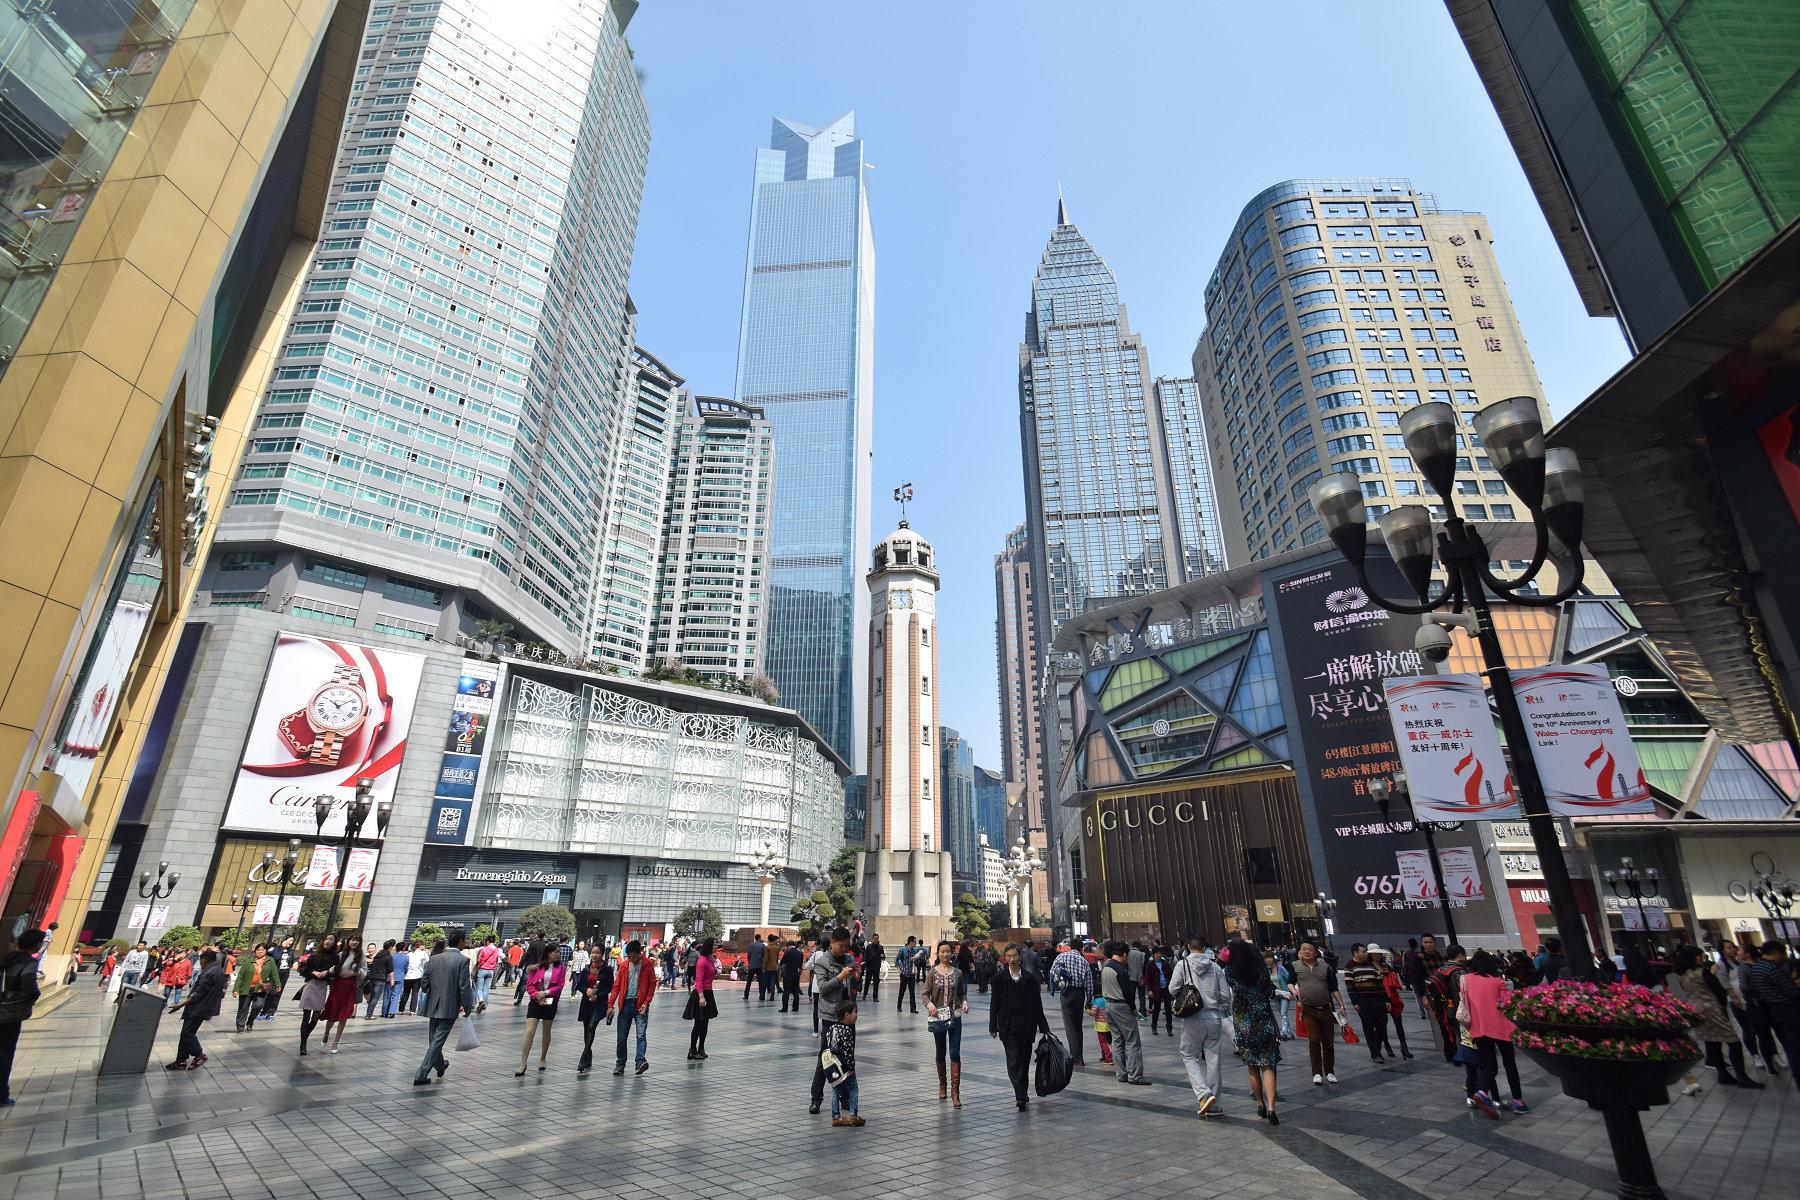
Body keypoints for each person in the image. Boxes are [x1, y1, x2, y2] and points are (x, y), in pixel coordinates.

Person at [1666, 945, 1760, 1089]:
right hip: (1712, 1009)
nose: (1701, 958)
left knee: (1712, 1042)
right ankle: (1741, 1076)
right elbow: (1719, 991)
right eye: (1699, 955)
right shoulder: (1703, 973)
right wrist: (1722, 1007)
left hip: (1697, 1011)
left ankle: (1723, 1074)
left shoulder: (1683, 976)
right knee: (1733, 1042)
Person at [1459, 949, 1526, 1116]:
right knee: (1510, 1064)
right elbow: (1506, 1004)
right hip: (1501, 1028)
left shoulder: (1465, 980)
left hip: (1478, 1029)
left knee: (1490, 1065)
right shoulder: (1497, 981)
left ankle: (1481, 1093)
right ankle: (1518, 1101)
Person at [1170, 936, 1231, 1118]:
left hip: (1193, 1018)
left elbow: (1173, 989)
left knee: (1189, 1055)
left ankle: (1204, 1094)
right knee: (1213, 1059)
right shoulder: (1216, 967)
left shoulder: (1183, 965)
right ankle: (1213, 1105)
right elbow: (1226, 995)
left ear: (1188, 947)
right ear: (1205, 948)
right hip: (1214, 1017)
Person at [990, 943, 1053, 1110]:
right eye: (1008, 956)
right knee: (1014, 1061)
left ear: (1020, 957)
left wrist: (1044, 1026)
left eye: (1014, 956)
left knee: (1024, 1061)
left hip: (1026, 1025)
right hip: (1007, 1025)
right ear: (1005, 958)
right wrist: (992, 1026)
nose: (1012, 959)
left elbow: (1037, 1005)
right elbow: (994, 1003)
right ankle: (1020, 1096)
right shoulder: (999, 978)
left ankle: (1023, 1092)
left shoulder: (1030, 979)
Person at [1226, 938, 1281, 1125]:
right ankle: (1272, 1107)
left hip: (1244, 1022)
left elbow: (1233, 991)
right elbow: (1269, 991)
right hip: (1263, 1018)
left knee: (1252, 1065)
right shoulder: (1261, 969)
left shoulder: (1231, 971)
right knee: (1268, 1064)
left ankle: (1260, 1103)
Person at [808, 927, 860, 1113]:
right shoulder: (822, 962)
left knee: (847, 1057)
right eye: (840, 946)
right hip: (830, 1016)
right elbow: (822, 988)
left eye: (846, 946)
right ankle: (816, 1098)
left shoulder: (849, 959)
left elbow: (856, 987)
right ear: (832, 943)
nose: (844, 950)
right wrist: (840, 977)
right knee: (826, 1057)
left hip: (848, 1016)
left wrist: (855, 977)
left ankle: (845, 1098)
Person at [412, 934, 474, 1087]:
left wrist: (430, 989)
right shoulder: (462, 960)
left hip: (433, 1004)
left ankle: (440, 1065)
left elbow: (425, 983)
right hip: (450, 1005)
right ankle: (421, 1073)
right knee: (437, 1041)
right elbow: (464, 986)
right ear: (460, 941)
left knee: (434, 1039)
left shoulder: (434, 959)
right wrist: (468, 1006)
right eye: (464, 940)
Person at [1740, 940, 1800, 1092]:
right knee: (1794, 1044)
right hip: (1786, 1009)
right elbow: (1792, 992)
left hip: (1770, 1008)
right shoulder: (1772, 969)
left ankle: (1786, 1068)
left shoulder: (1757, 968)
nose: (1784, 957)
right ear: (1776, 953)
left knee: (1789, 1042)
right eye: (1782, 953)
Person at [1720, 941, 1781, 1074]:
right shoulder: (1722, 965)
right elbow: (1725, 984)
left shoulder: (1742, 963)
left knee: (1764, 1029)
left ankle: (1774, 1054)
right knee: (1748, 1029)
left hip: (1755, 1001)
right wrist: (1735, 998)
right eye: (1729, 948)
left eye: (1734, 947)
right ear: (1722, 951)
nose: (1733, 950)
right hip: (1739, 1002)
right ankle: (1755, 1055)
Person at [0, 928, 46, 1105]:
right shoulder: (28, 962)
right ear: (36, 946)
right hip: (10, 1013)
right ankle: (2, 1094)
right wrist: (32, 997)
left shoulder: (7, 958)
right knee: (5, 1053)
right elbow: (28, 983)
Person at [923, 939, 969, 1107]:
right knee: (940, 1052)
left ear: (951, 953)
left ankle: (955, 1092)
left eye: (948, 951)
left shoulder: (958, 973)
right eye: (942, 952)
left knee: (955, 1053)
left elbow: (962, 993)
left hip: (955, 1016)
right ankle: (942, 1084)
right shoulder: (932, 973)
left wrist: (964, 1002)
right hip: (939, 1017)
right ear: (938, 954)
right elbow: (925, 994)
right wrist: (930, 1005)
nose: (945, 954)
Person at [1289, 941, 1342, 1084]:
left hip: (1325, 1008)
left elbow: (1334, 988)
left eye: (1310, 949)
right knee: (1314, 1040)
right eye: (1304, 949)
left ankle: (1329, 1071)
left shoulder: (1325, 967)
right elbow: (1290, 981)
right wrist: (1293, 990)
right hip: (1308, 1009)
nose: (1307, 952)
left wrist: (1341, 1005)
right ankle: (1317, 1072)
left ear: (1315, 952)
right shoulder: (1295, 966)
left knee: (1328, 1042)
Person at [166, 949, 225, 1070]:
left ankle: (199, 1055)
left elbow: (199, 993)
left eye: (201, 960)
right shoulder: (218, 970)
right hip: (205, 1007)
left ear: (204, 960)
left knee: (187, 1033)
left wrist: (181, 1005)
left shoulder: (209, 972)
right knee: (186, 1034)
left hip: (198, 1007)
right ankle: (181, 1060)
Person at [607, 939, 658, 1076]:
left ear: (640, 953)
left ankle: (640, 1062)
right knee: (621, 1037)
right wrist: (610, 1005)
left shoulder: (648, 964)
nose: (631, 959)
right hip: (625, 1004)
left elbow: (652, 985)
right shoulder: (624, 966)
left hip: (640, 1004)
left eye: (634, 956)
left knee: (641, 1035)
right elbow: (616, 986)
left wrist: (646, 1003)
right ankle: (620, 1063)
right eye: (629, 957)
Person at [515, 943, 566, 1076]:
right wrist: (537, 996)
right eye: (555, 952)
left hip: (550, 1000)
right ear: (548, 953)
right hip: (535, 1001)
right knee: (530, 1031)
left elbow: (560, 986)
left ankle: (543, 1058)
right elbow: (529, 984)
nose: (557, 954)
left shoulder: (561, 968)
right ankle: (523, 1063)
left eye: (558, 952)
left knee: (546, 1031)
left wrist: (546, 993)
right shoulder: (537, 967)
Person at [1049, 937, 1093, 1064]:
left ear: (1070, 946)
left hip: (1066, 993)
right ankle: (1079, 1056)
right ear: (1081, 948)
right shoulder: (1083, 961)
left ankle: (1076, 1057)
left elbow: (1052, 972)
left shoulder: (1061, 957)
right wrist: (1089, 1000)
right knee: (1078, 1025)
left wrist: (1059, 983)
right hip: (1079, 993)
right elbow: (1089, 983)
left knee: (1069, 1026)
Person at [1343, 943, 1389, 1064]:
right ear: (1355, 953)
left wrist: (1386, 1000)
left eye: (1365, 952)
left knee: (1382, 1026)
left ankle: (1377, 1048)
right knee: (1368, 1027)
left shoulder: (1370, 965)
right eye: (1363, 952)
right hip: (1363, 1001)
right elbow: (1350, 986)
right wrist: (1355, 1003)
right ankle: (1375, 1053)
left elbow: (1379, 982)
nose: (1365, 954)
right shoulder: (1349, 966)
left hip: (1377, 999)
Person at [1425, 943, 1471, 1065]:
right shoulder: (1458, 971)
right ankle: (1465, 1057)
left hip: (1445, 1009)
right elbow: (1466, 990)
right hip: (1459, 1008)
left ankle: (1453, 1055)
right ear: (1460, 954)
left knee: (1453, 1033)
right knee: (1465, 1035)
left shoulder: (1441, 969)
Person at [573, 947, 615, 1073]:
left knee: (591, 1027)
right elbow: (579, 985)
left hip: (599, 1003)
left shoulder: (607, 969)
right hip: (587, 1003)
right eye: (593, 952)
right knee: (586, 1029)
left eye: (597, 953)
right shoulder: (586, 968)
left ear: (602, 954)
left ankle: (583, 1056)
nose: (594, 955)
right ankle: (589, 1056)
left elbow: (609, 987)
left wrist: (599, 995)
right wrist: (587, 990)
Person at [296, 935, 338, 1056]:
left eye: (331, 940)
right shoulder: (314, 955)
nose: (327, 941)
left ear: (334, 943)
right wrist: (314, 972)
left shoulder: (335, 958)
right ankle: (303, 1044)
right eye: (326, 939)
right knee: (306, 1016)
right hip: (311, 985)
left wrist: (328, 972)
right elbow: (303, 969)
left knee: (315, 1018)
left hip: (322, 987)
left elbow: (336, 973)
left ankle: (304, 1036)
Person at [320, 933, 363, 1053]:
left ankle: (336, 1042)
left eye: (357, 941)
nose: (354, 943)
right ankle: (326, 1034)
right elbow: (333, 966)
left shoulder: (360, 956)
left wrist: (354, 973)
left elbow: (364, 971)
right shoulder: (341, 954)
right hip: (338, 985)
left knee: (344, 1014)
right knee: (332, 1011)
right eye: (352, 940)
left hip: (350, 986)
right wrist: (332, 969)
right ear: (348, 941)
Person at [825, 998, 861, 1126]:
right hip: (846, 1067)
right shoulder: (847, 1031)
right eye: (854, 1012)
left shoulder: (831, 1028)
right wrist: (851, 1068)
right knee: (853, 1088)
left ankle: (836, 1117)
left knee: (835, 1090)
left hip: (834, 1067)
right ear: (847, 1015)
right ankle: (853, 1115)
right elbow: (848, 1051)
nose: (856, 1015)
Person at [232, 943, 279, 1032]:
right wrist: (236, 989)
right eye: (258, 950)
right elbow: (240, 976)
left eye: (262, 950)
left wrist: (278, 985)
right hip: (246, 988)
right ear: (255, 951)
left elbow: (274, 974)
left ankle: (250, 1022)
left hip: (260, 989)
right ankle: (240, 1027)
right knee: (243, 1009)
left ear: (265, 951)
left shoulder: (270, 961)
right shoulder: (247, 961)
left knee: (258, 1006)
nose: (260, 952)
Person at [688, 937, 718, 1061]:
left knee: (705, 1023)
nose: (717, 946)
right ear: (710, 946)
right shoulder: (702, 960)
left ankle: (701, 1047)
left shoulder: (711, 959)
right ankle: (692, 1049)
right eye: (715, 944)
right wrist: (701, 997)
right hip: (701, 993)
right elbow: (699, 979)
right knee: (698, 1023)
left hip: (709, 992)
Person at [1380, 951, 1412, 1059]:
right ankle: (1387, 1045)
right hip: (1381, 1000)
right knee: (1382, 1025)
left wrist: (1388, 972)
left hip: (1393, 999)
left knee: (1399, 1024)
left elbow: (1396, 985)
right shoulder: (1371, 968)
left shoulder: (1387, 968)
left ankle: (1404, 1047)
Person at [1143, 946, 1172, 1036]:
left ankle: (1169, 1027)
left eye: (1159, 953)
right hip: (1156, 990)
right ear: (1153, 954)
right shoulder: (1150, 964)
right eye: (1156, 953)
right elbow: (1147, 978)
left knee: (1168, 1009)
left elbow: (1171, 974)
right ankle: (1154, 1026)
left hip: (1166, 988)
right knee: (1156, 1009)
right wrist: (1149, 990)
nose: (1158, 955)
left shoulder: (1165, 963)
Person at [363, 941, 394, 1021]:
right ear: (390, 947)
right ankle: (369, 1015)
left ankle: (369, 1013)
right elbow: (390, 970)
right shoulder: (388, 957)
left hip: (372, 978)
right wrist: (392, 980)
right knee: (375, 998)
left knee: (372, 996)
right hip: (380, 979)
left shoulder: (378, 955)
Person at [1269, 948, 1294, 1039]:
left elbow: (1288, 978)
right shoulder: (1268, 970)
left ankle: (1283, 1032)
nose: (1268, 960)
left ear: (1273, 958)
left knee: (1283, 1013)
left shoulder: (1280, 968)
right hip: (1275, 995)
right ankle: (1289, 1033)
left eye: (1269, 958)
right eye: (1266, 958)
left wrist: (1291, 991)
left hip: (1284, 993)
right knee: (1282, 1014)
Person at [894, 937, 921, 1014]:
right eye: (914, 942)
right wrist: (899, 970)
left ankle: (913, 1008)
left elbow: (917, 962)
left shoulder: (915, 951)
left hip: (911, 974)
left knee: (912, 992)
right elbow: (897, 959)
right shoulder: (903, 949)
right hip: (904, 973)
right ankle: (899, 1006)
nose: (915, 944)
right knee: (902, 990)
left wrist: (915, 959)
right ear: (910, 942)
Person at [474, 936, 500, 1012]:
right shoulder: (496, 949)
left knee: (479, 988)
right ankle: (484, 1004)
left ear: (488, 941)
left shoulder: (484, 949)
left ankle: (481, 1001)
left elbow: (479, 959)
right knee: (486, 988)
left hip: (482, 969)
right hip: (491, 970)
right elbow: (496, 959)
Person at [403, 939, 427, 1013]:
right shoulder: (423, 953)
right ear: (421, 945)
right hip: (418, 975)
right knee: (415, 993)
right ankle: (412, 1010)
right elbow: (426, 963)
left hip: (407, 975)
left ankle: (401, 1009)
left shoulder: (409, 954)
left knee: (406, 992)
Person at [780, 938, 803, 1013]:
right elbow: (800, 965)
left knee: (786, 991)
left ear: (788, 945)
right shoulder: (799, 953)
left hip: (787, 974)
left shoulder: (787, 952)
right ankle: (795, 1007)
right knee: (795, 991)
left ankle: (785, 1008)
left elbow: (782, 962)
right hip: (795, 975)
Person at [860, 933, 885, 1002]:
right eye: (875, 939)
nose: (876, 940)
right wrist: (866, 966)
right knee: (867, 982)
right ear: (872, 939)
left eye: (877, 939)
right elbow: (865, 956)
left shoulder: (880, 947)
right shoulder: (868, 947)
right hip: (870, 966)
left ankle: (875, 997)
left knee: (876, 982)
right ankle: (864, 995)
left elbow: (883, 957)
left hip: (877, 967)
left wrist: (882, 956)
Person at [760, 931, 780, 1002]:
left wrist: (763, 967)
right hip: (774, 967)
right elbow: (777, 958)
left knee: (764, 982)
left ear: (768, 939)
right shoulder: (777, 947)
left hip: (768, 967)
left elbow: (766, 959)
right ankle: (772, 995)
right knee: (772, 982)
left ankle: (762, 995)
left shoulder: (768, 948)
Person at [742, 935, 762, 1001]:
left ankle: (746, 995)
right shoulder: (762, 946)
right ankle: (761, 995)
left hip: (752, 965)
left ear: (755, 938)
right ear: (759, 938)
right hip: (759, 965)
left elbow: (749, 955)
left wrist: (750, 961)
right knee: (760, 981)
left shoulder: (751, 945)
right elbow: (764, 955)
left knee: (749, 981)